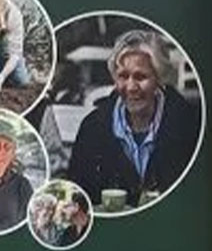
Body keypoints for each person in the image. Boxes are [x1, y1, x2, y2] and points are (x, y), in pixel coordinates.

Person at [65, 30, 198, 209]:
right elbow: (77, 199)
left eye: (140, 77)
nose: (131, 87)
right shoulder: (93, 128)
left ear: (159, 79)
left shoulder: (188, 125)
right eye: (123, 76)